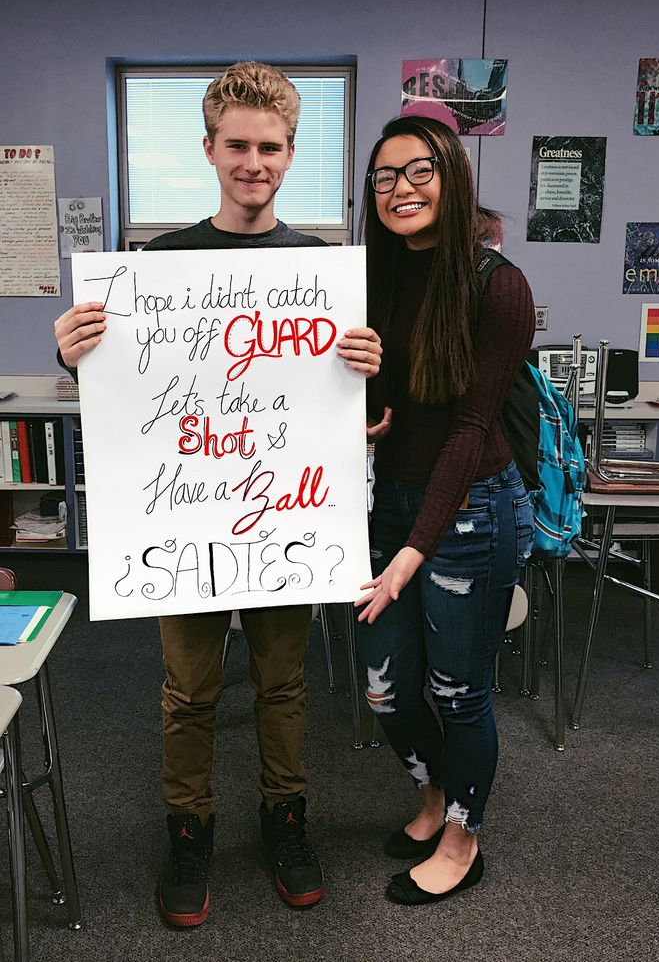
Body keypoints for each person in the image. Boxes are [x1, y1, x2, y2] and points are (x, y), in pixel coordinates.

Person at [54, 62, 381, 924]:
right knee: (188, 691)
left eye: (270, 146)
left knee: (283, 685)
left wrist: (362, 376)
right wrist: (73, 348)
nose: (253, 161)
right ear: (210, 149)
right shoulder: (159, 264)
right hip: (186, 518)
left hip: (280, 514)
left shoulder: (318, 272)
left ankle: (285, 820)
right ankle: (188, 831)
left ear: (290, 153)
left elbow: (326, 409)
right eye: (237, 144)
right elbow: (122, 387)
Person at [355, 115, 535, 905]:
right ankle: (431, 799)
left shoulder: (498, 284)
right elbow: (386, 406)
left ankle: (463, 834)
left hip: (472, 508)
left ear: (452, 176)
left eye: (419, 170)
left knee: (460, 691)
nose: (401, 188)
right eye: (386, 176)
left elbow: (468, 430)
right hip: (390, 502)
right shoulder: (375, 279)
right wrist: (363, 408)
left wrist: (411, 551)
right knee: (383, 687)